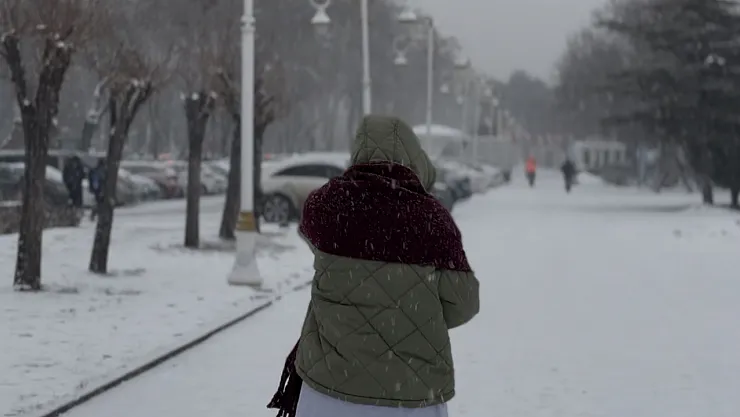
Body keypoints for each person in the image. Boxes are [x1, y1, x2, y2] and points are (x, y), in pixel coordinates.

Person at [267, 115, 480, 417]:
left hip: (327, 391)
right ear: (412, 155)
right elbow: (463, 303)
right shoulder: (432, 219)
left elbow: (321, 249)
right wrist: (412, 312)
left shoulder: (325, 206)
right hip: (411, 395)